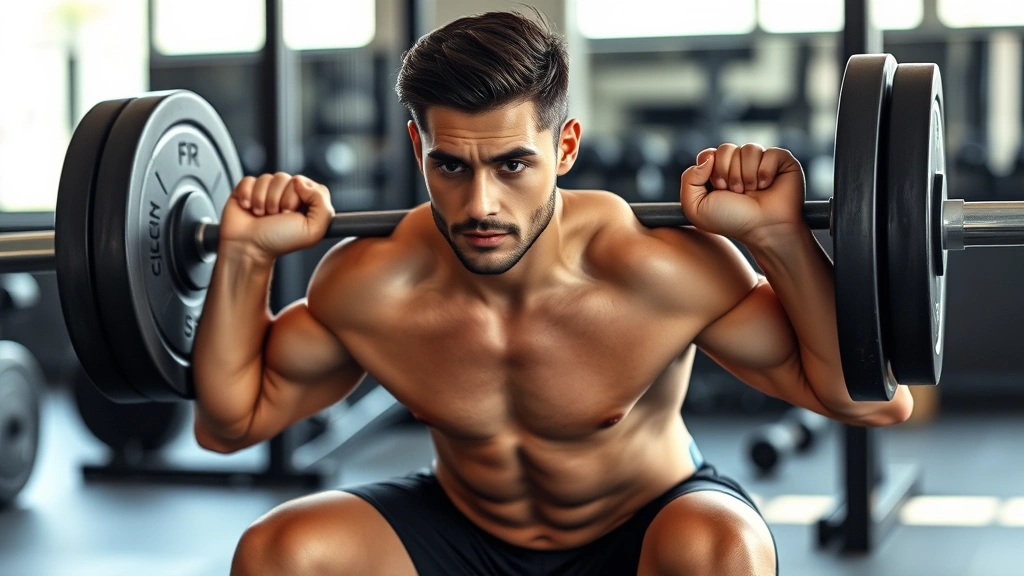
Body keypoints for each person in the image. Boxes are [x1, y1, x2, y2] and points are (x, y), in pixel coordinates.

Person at [193, 9, 914, 576]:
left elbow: (876, 402)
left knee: (719, 547)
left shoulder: (657, 270)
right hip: (463, 535)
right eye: (449, 166)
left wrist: (779, 239)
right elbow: (231, 423)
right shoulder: (371, 284)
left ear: (564, 147)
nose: (479, 204)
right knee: (280, 552)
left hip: (641, 529)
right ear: (418, 150)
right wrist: (244, 256)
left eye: (513, 164)